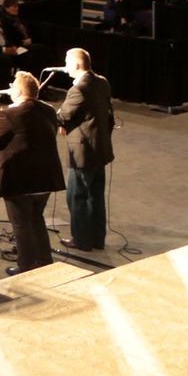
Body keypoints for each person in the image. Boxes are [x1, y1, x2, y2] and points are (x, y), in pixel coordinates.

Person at [0, 71, 65, 275]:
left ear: (19, 91)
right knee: (36, 219)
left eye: (12, 86)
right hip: (45, 177)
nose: (9, 88)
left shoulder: (9, 114)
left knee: (21, 224)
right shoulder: (48, 110)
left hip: (19, 178)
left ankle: (26, 266)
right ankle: (45, 261)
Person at [56, 48, 115, 251]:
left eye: (66, 61)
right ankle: (97, 239)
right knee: (96, 195)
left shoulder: (78, 89)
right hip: (101, 148)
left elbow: (62, 115)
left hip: (83, 152)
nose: (64, 65)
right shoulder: (102, 82)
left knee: (77, 196)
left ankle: (81, 240)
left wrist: (62, 123)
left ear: (76, 64)